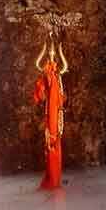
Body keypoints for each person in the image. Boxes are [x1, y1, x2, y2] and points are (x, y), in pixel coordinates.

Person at [33, 39, 69, 191]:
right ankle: (52, 176)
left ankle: (54, 177)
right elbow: (41, 93)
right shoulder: (49, 74)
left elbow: (57, 95)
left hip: (55, 111)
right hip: (51, 111)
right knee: (52, 140)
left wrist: (57, 52)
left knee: (54, 139)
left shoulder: (55, 75)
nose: (52, 56)